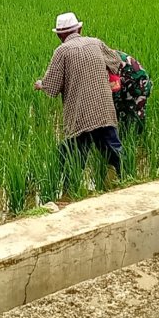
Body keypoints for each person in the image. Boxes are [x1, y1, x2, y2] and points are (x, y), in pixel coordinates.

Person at [34, 12, 123, 191]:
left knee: (75, 154)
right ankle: (126, 178)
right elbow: (116, 61)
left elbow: (52, 86)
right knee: (114, 148)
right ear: (79, 29)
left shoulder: (62, 51)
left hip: (81, 113)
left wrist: (40, 84)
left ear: (60, 35)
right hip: (104, 108)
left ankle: (69, 190)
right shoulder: (95, 43)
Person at [112, 50, 153, 133]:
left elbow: (114, 90)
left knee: (135, 115)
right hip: (125, 79)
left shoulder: (105, 63)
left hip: (137, 83)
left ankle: (138, 136)